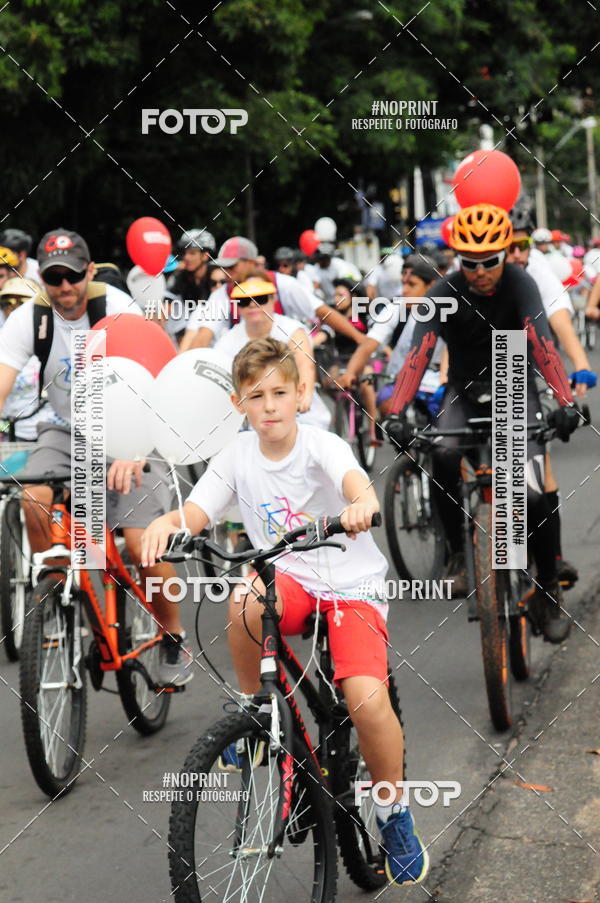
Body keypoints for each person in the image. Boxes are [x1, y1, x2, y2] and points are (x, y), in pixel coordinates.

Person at [140, 336, 429, 886]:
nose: (269, 406)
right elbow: (195, 513)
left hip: (348, 584)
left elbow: (354, 482)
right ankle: (258, 716)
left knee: (365, 700)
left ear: (300, 395)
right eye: (256, 396)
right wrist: (166, 523)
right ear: (239, 404)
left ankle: (393, 813)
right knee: (245, 597)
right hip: (288, 579)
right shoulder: (236, 455)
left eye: (279, 393)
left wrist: (363, 503)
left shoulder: (321, 445)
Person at [0, 228, 190, 686]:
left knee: (143, 544)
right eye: (54, 278)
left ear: (89, 271)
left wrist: (136, 450)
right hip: (68, 431)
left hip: (133, 426)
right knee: (32, 499)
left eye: (72, 276)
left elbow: (153, 382)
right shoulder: (30, 319)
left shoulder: (119, 308)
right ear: (42, 279)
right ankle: (62, 595)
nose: (64, 287)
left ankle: (173, 635)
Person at [385, 204, 581, 643]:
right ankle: (458, 556)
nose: (479, 272)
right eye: (469, 263)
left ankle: (548, 588)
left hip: (514, 379)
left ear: (506, 254)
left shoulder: (521, 284)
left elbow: (542, 344)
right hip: (464, 388)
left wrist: (565, 402)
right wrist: (396, 412)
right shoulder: (443, 291)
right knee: (442, 453)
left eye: (489, 262)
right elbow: (418, 353)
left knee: (531, 489)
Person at [507, 209, 597, 586]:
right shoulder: (474, 269)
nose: (517, 252)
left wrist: (580, 363)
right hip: (480, 364)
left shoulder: (538, 270)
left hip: (528, 359)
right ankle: (465, 551)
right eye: (510, 244)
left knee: (536, 461)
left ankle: (553, 559)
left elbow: (559, 319)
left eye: (524, 243)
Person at [179, 236, 368, 352]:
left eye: (232, 266)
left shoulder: (282, 284)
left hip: (289, 359)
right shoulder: (223, 293)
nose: (226, 273)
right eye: (223, 267)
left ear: (251, 263)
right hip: (246, 365)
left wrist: (359, 338)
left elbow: (322, 312)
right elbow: (204, 334)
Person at [214, 277, 330, 429]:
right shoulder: (226, 342)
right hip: (250, 421)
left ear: (273, 299)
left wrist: (305, 397)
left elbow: (305, 365)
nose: (252, 305)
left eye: (260, 299)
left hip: (301, 415)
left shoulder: (292, 330)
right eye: (244, 301)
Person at [339, 258, 445, 418]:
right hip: (399, 381)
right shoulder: (395, 309)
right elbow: (369, 345)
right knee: (390, 409)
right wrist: (350, 372)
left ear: (431, 285)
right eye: (403, 284)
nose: (404, 290)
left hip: (438, 383)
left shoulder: (447, 310)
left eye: (412, 285)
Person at [0, 277, 55, 440]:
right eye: (7, 303)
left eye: (23, 302)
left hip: (49, 435)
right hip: (7, 434)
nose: (13, 309)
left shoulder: (53, 339)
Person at [169, 228, 216, 303]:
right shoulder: (180, 276)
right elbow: (167, 302)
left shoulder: (216, 278)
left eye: (192, 253)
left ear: (205, 256)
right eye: (184, 253)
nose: (186, 257)